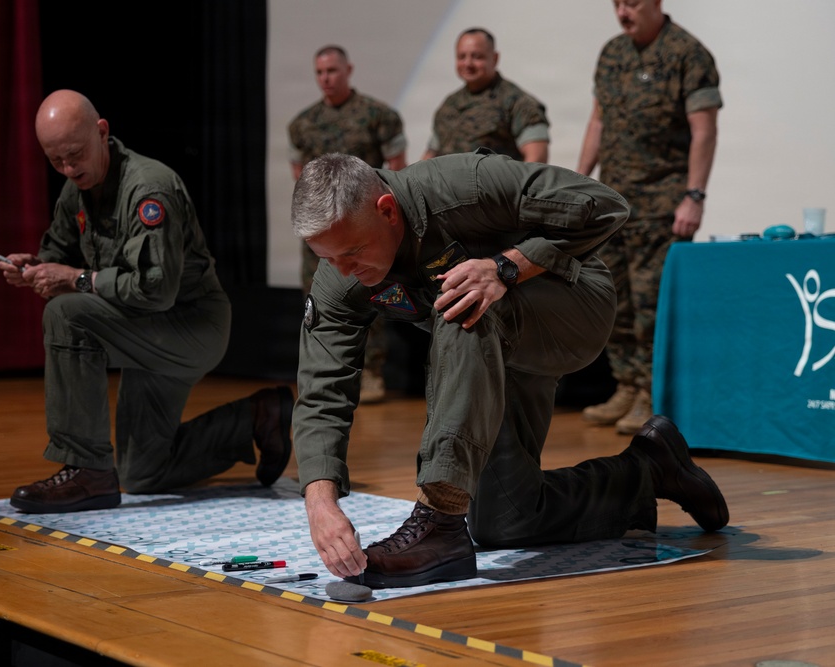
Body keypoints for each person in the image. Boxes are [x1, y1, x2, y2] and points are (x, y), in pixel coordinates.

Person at [290, 151, 729, 589]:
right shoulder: (339, 278)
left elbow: (604, 204)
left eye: (352, 252)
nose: (344, 271)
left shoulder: (464, 185)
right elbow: (323, 389)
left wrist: (505, 267)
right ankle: (649, 470)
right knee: (506, 519)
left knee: (461, 301)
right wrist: (320, 502)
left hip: (572, 306)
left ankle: (439, 521)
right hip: (488, 353)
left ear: (387, 210)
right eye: (328, 258)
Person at [0, 90, 292, 513]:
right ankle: (256, 417)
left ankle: (86, 469)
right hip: (141, 327)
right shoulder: (77, 187)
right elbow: (58, 252)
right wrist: (33, 267)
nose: (68, 168)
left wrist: (76, 279)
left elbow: (156, 289)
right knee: (141, 473)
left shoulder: (149, 189)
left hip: (189, 324)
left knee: (66, 314)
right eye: (56, 160)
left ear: (102, 132)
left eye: (75, 155)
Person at [576, 0, 721, 434]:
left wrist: (694, 196)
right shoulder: (612, 52)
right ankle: (627, 383)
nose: (623, 12)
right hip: (613, 205)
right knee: (615, 300)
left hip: (661, 206)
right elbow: (598, 122)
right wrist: (577, 182)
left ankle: (652, 393)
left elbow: (704, 130)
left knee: (651, 306)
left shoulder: (687, 54)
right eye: (617, 4)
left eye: (633, 3)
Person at [288, 45, 407, 404]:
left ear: (348, 70)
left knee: (373, 291)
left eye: (332, 71)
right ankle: (324, 370)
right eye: (320, 72)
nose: (326, 78)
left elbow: (398, 168)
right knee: (317, 297)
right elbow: (299, 177)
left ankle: (370, 371)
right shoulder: (302, 123)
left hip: (363, 227)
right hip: (322, 230)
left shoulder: (378, 115)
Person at [422, 28, 549, 163]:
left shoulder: (518, 103)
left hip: (497, 178)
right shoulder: (449, 105)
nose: (468, 63)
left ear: (495, 58)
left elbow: (536, 158)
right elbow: (430, 155)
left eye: (477, 57)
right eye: (461, 57)